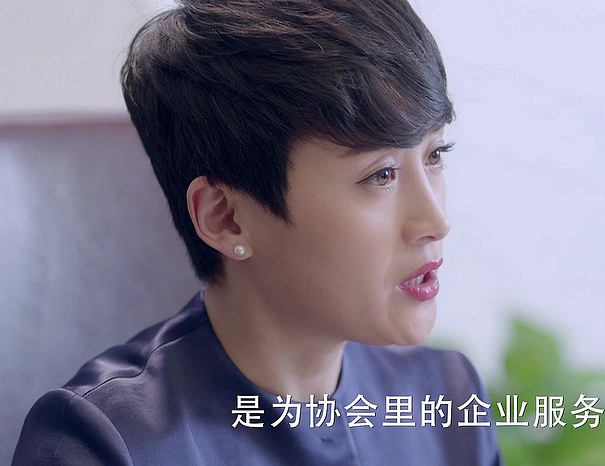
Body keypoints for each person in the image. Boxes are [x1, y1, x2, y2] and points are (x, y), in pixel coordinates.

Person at [12, 0, 502, 464]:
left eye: (435, 155)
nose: (436, 221)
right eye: (381, 174)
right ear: (225, 217)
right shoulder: (101, 443)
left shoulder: (446, 399)